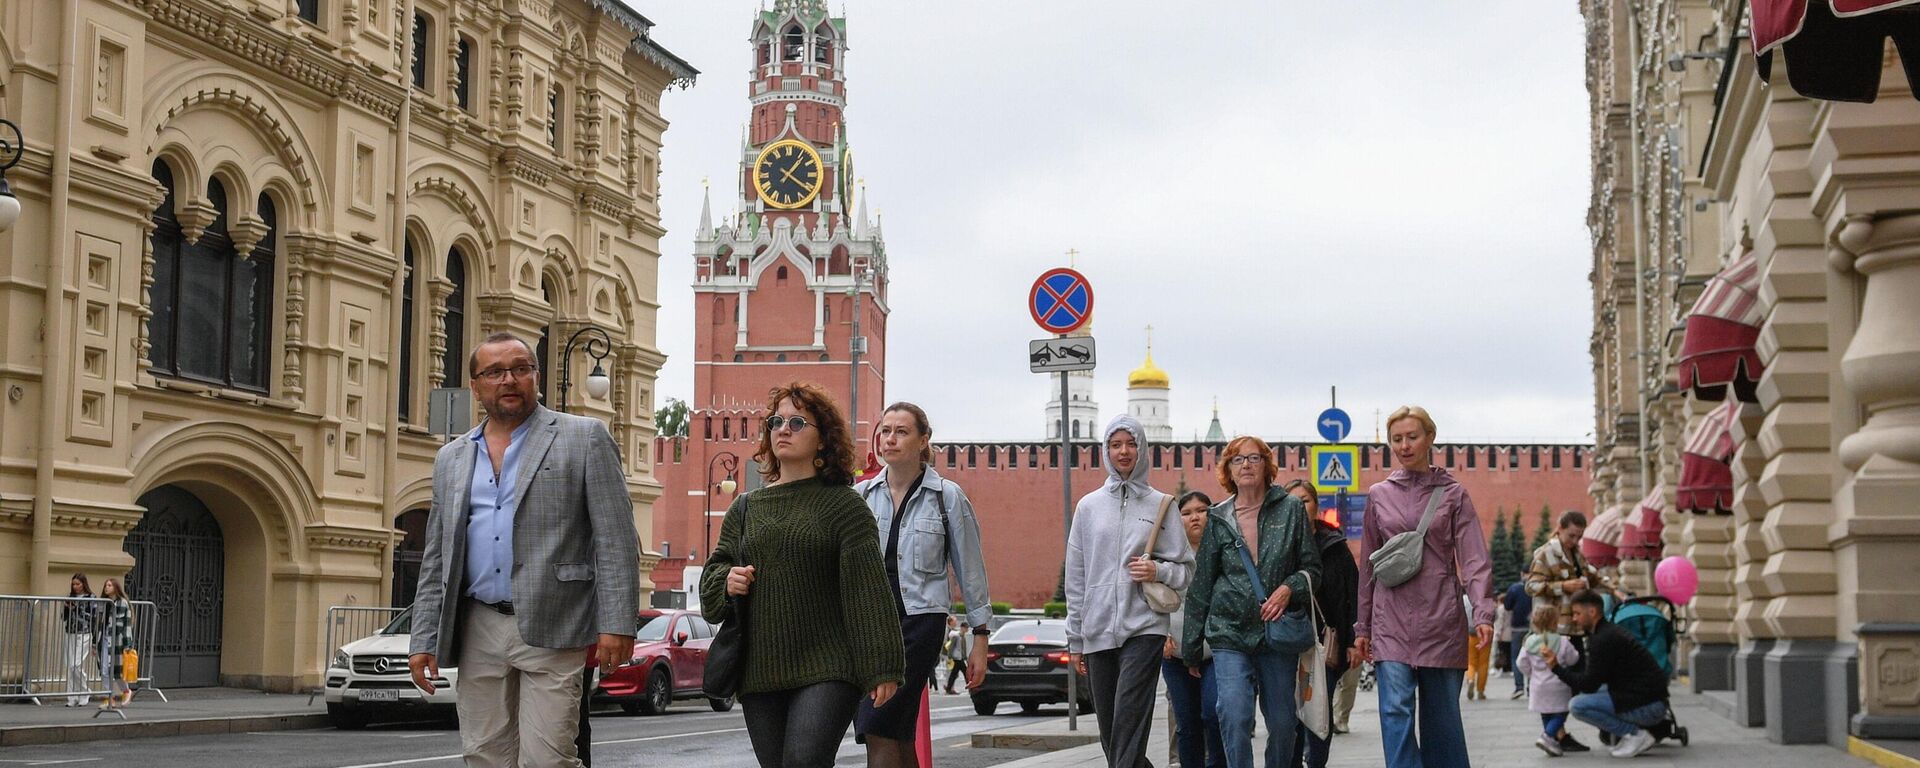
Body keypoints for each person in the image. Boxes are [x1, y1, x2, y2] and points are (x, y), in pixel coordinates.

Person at [408, 332, 640, 768]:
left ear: (536, 376)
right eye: (495, 372)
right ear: (475, 385)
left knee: (548, 759)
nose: (509, 380)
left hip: (556, 619)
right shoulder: (452, 458)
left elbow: (617, 538)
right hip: (477, 623)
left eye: (521, 368)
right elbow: (437, 555)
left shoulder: (584, 437)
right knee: (484, 755)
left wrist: (617, 623)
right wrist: (423, 637)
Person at [700, 382, 905, 768]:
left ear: (823, 440)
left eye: (797, 422)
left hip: (828, 667)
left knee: (804, 761)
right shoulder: (746, 508)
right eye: (776, 421)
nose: (783, 429)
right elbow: (713, 580)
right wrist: (727, 581)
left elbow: (868, 591)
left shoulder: (845, 506)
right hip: (760, 672)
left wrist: (883, 666)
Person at [1352, 406, 1494, 768]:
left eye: (1412, 437)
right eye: (1396, 439)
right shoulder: (1379, 494)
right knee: (1395, 711)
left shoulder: (1453, 494)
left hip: (1440, 617)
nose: (1404, 445)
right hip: (1391, 618)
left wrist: (1483, 611)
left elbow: (1474, 557)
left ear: (1430, 437)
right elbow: (1369, 564)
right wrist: (1362, 626)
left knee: (1442, 719)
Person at [854, 402, 993, 768]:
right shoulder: (862, 498)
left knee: (877, 723)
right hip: (870, 628)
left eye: (901, 431)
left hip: (920, 624)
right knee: (896, 732)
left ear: (923, 440)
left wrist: (980, 637)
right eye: (885, 431)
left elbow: (971, 570)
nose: (890, 439)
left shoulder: (947, 498)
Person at [1182, 436, 1319, 768]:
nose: (1246, 465)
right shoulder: (1218, 518)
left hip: (1277, 634)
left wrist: (1289, 587)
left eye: (1254, 458)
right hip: (1229, 631)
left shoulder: (1290, 509)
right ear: (1229, 468)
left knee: (1285, 724)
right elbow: (1202, 585)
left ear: (1267, 466)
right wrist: (1191, 646)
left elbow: (1312, 568)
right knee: (1233, 714)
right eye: (1237, 460)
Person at [1066, 415, 1193, 768]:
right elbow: (1076, 577)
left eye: (1130, 443)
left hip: (1145, 627)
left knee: (1128, 723)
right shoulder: (1088, 507)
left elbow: (1186, 570)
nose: (1123, 451)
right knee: (1112, 736)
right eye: (1115, 444)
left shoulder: (1162, 504)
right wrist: (1075, 637)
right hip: (1097, 629)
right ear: (1105, 451)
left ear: (1142, 449)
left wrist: (1157, 570)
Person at [1541, 590, 1670, 759]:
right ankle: (1631, 735)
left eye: (1577, 613)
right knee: (1588, 696)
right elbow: (1594, 680)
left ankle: (1634, 735)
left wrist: (1556, 667)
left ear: (1592, 612)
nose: (1574, 619)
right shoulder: (1606, 632)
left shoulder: (1603, 639)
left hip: (1650, 707)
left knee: (1577, 705)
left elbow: (1588, 684)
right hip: (1651, 701)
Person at [1283, 480, 1358, 768]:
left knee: (1318, 712)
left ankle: (1315, 763)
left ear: (1316, 506)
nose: (1299, 507)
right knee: (1288, 715)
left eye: (1305, 501)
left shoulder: (1334, 546)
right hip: (1285, 641)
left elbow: (1352, 593)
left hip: (1324, 644)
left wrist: (1352, 640)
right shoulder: (1276, 546)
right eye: (1293, 501)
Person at [1164, 491, 1225, 768]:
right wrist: (1160, 634)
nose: (1195, 517)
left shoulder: (1224, 553)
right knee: (1186, 724)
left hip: (1215, 650)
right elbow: (1151, 599)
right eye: (1187, 513)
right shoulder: (1167, 556)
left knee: (1214, 716)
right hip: (1175, 651)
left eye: (1202, 510)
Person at [1525, 511, 1623, 635]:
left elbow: (1593, 578)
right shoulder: (1545, 554)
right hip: (1554, 628)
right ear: (1560, 528)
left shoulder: (1578, 555)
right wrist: (1563, 586)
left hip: (1577, 627)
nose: (1575, 541)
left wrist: (1613, 589)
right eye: (1571, 536)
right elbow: (1531, 586)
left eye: (1579, 537)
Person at [1515, 604, 1587, 757]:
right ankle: (1547, 736)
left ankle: (1551, 740)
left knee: (1545, 712)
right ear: (1555, 622)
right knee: (1561, 712)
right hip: (1558, 684)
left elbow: (1521, 663)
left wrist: (1531, 674)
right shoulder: (1562, 641)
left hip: (1538, 685)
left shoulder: (1528, 643)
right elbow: (1574, 659)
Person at [97, 577, 132, 710]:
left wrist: (127, 644)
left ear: (116, 587)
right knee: (104, 670)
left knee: (117, 671)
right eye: (106, 585)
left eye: (110, 585)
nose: (107, 587)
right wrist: (96, 643)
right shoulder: (104, 603)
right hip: (104, 640)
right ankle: (109, 697)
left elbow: (127, 625)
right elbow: (99, 624)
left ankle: (126, 691)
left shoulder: (122, 603)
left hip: (117, 641)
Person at [62, 574, 96, 707]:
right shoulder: (70, 596)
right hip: (70, 631)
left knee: (75, 665)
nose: (75, 587)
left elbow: (92, 617)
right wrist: (67, 608)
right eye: (73, 584)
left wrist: (75, 608)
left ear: (83, 584)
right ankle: (72, 696)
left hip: (84, 633)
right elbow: (64, 617)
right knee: (70, 665)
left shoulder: (90, 597)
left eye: (78, 584)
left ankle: (84, 691)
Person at [1503, 581, 1533, 699]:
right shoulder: (1535, 586)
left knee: (1515, 657)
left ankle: (1519, 687)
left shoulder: (1514, 588)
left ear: (1521, 574)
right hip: (1532, 626)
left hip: (1517, 626)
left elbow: (1507, 605)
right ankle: (1531, 687)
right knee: (1533, 656)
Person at [1463, 590, 1491, 700]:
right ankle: (1480, 690)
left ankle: (1470, 679)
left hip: (1469, 634)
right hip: (1485, 635)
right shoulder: (1485, 600)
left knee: (1471, 662)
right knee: (1483, 663)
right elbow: (1494, 615)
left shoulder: (1464, 599)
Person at [943, 617, 969, 695]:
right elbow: (951, 647)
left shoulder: (962, 636)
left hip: (959, 657)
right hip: (957, 657)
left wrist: (965, 657)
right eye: (965, 628)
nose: (966, 630)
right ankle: (970, 687)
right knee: (965, 672)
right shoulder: (956, 636)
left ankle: (948, 688)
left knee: (954, 674)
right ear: (962, 628)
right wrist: (950, 656)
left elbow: (963, 649)